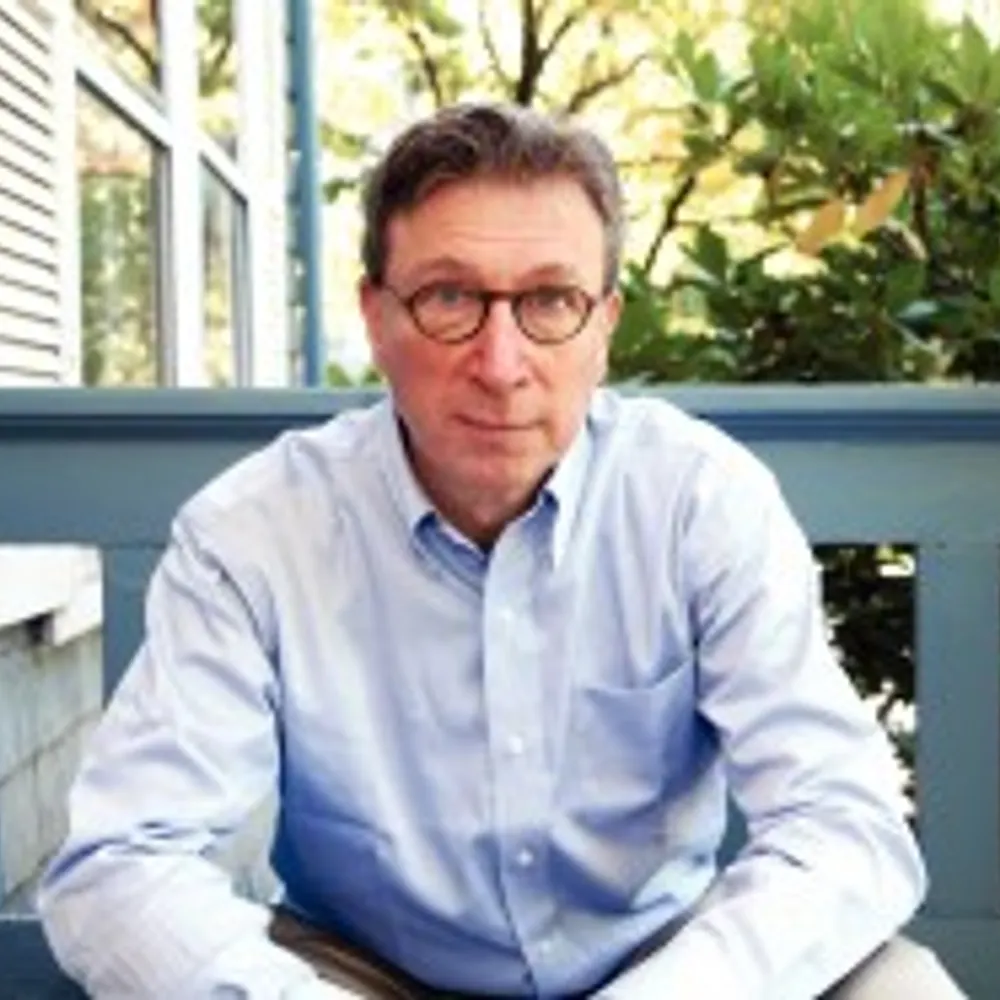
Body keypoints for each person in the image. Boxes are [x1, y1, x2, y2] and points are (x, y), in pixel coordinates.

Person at [38, 102, 964, 999]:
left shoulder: (699, 501)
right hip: (362, 972)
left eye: (552, 301)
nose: (501, 364)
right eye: (449, 298)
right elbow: (121, 865)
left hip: (662, 964)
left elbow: (845, 822)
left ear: (605, 324)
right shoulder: (254, 531)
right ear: (376, 317)